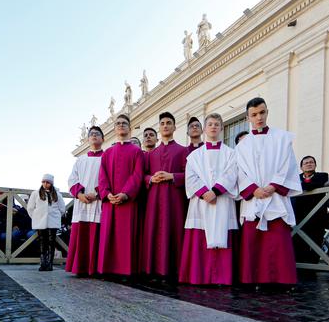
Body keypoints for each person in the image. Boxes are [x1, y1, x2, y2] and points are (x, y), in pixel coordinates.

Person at [236, 97, 302, 286]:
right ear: (248, 117)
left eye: (262, 112)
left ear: (267, 112)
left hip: (275, 197)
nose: (259, 117)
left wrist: (273, 186)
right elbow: (238, 171)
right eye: (254, 114)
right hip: (253, 199)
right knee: (253, 240)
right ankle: (254, 279)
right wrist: (253, 189)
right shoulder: (242, 145)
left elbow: (288, 165)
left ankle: (282, 280)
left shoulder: (282, 138)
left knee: (278, 240)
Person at [180, 113, 238, 285]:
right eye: (210, 124)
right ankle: (199, 277)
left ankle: (222, 278)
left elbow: (232, 174)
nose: (213, 127)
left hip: (222, 200)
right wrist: (205, 192)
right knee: (199, 236)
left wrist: (216, 191)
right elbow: (190, 177)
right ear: (205, 129)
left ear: (221, 128)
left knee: (223, 233)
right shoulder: (194, 156)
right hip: (200, 202)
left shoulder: (231, 153)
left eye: (217, 124)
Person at [140, 111, 189, 278]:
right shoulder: (151, 154)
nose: (166, 125)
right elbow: (143, 175)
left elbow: (189, 174)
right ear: (159, 129)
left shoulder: (183, 150)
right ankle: (152, 269)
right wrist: (151, 178)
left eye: (169, 123)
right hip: (154, 199)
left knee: (173, 230)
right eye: (162, 123)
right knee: (154, 230)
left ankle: (174, 269)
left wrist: (172, 176)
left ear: (175, 127)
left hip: (174, 199)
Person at [97, 114, 145, 276]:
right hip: (109, 201)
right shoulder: (107, 153)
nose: (121, 125)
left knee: (126, 237)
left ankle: (126, 270)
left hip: (128, 201)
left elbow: (138, 175)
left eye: (124, 123)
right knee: (108, 236)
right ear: (114, 128)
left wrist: (126, 193)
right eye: (118, 123)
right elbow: (102, 176)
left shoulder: (137, 151)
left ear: (130, 128)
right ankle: (108, 269)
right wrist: (107, 193)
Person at [66, 126, 104, 275]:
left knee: (97, 234)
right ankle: (80, 268)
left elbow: (109, 179)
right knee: (81, 236)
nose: (94, 136)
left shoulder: (106, 157)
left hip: (98, 201)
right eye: (91, 134)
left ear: (103, 138)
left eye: (97, 134)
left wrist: (97, 193)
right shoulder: (80, 159)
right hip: (81, 202)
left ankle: (95, 268)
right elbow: (72, 179)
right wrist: (79, 194)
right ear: (88, 139)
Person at [292, 155, 329, 265]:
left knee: (316, 241)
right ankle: (302, 266)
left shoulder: (322, 175)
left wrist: (302, 184)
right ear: (301, 167)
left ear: (315, 165)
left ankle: (313, 266)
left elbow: (314, 185)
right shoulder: (296, 177)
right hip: (299, 214)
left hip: (317, 215)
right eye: (306, 163)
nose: (309, 164)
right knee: (298, 241)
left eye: (311, 162)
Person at [28, 174, 66, 271]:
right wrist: (36, 217)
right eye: (43, 182)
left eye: (48, 182)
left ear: (51, 183)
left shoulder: (57, 194)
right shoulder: (36, 193)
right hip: (40, 221)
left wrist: (56, 217)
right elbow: (30, 208)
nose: (45, 184)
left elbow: (62, 208)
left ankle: (49, 264)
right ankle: (43, 263)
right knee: (42, 242)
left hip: (52, 221)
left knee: (51, 242)